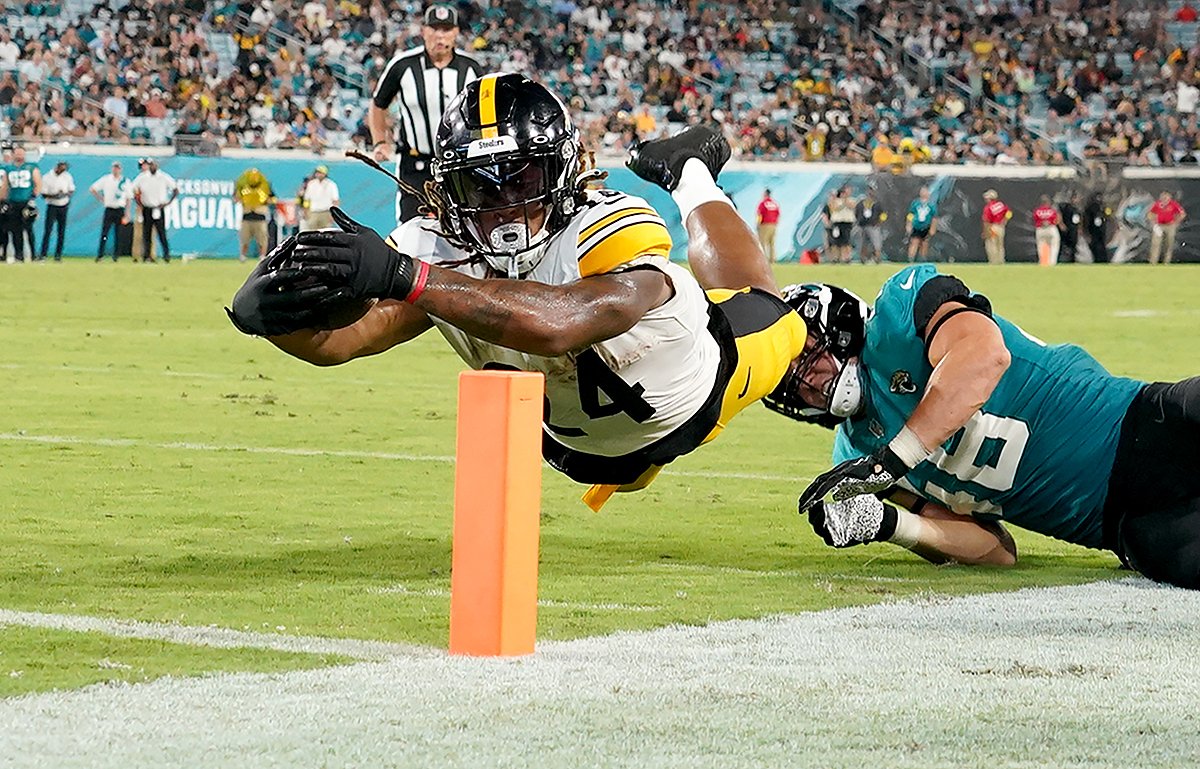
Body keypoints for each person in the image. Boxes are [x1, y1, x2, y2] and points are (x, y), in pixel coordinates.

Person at [227, 78, 807, 511]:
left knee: (766, 307)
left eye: (523, 179)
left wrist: (409, 277)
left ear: (564, 169)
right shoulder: (432, 245)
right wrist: (273, 320)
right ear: (444, 187)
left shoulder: (606, 222)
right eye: (479, 183)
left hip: (696, 391)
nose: (504, 203)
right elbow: (340, 341)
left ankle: (690, 172)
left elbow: (565, 322)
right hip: (569, 449)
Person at [775, 261, 1200, 589]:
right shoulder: (856, 457)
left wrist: (896, 457)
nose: (805, 382)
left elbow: (984, 355)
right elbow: (996, 551)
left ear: (836, 324)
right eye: (790, 383)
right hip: (1124, 526)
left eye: (806, 356)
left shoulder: (899, 315)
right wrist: (892, 525)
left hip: (1147, 423)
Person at [368, 3, 481, 224]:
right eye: (434, 29)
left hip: (460, 165)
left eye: (447, 29)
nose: (440, 36)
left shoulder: (471, 68)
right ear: (424, 31)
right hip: (415, 165)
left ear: (456, 32)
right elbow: (378, 104)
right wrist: (380, 141)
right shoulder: (403, 66)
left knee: (468, 229)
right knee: (411, 232)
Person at [130, 158, 178, 263]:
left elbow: (175, 189)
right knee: (146, 233)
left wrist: (168, 202)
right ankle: (147, 256)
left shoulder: (163, 177)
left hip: (158, 207)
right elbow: (133, 189)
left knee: (161, 233)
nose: (152, 167)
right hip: (147, 207)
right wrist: (139, 202)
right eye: (151, 165)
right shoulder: (143, 177)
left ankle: (166, 255)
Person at [1, 145, 41, 263]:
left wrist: (33, 199)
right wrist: (2, 200)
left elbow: (38, 183)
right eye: (17, 153)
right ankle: (19, 255)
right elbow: (5, 186)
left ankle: (33, 255)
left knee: (29, 229)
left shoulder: (31, 167)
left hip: (27, 201)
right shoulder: (9, 169)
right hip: (13, 201)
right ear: (13, 154)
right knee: (15, 230)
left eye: (21, 153)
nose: (19, 155)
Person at [90, 161, 131, 262]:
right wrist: (101, 199)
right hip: (109, 208)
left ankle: (116, 255)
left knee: (118, 233)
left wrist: (127, 212)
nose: (116, 170)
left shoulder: (125, 181)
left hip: (119, 209)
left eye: (117, 168)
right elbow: (93, 189)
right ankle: (100, 254)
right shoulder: (106, 179)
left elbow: (129, 198)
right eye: (114, 168)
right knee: (105, 233)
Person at [234, 167, 275, 262]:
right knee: (244, 238)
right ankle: (243, 256)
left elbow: (273, 198)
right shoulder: (243, 187)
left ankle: (262, 256)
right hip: (247, 215)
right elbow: (236, 198)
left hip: (260, 216)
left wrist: (266, 202)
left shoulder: (265, 187)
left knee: (262, 238)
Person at [39, 160, 74, 261]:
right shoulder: (47, 177)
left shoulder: (67, 176)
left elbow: (71, 189)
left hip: (63, 205)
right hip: (52, 205)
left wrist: (63, 194)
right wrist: (55, 195)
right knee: (48, 230)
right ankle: (43, 254)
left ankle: (58, 254)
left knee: (61, 231)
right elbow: (44, 194)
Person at [1146, 190, 1186, 264]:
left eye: (1166, 196)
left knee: (1169, 243)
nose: (1164, 198)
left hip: (1170, 226)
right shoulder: (1158, 205)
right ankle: (1153, 261)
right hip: (1159, 226)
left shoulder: (1173, 204)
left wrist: (1176, 222)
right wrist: (1154, 222)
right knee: (1156, 243)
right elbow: (1150, 214)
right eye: (1163, 196)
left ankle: (1166, 262)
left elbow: (1182, 213)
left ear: (1169, 197)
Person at [300, 165, 339, 231]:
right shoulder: (311, 184)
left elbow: (335, 200)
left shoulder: (331, 184)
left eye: (320, 173)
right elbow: (307, 199)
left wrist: (333, 214)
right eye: (317, 172)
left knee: (326, 232)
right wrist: (305, 211)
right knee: (312, 232)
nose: (318, 174)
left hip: (326, 212)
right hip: (313, 212)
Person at [855, 187, 886, 264]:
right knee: (862, 244)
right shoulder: (860, 204)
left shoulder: (877, 204)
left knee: (876, 243)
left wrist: (879, 222)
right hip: (862, 226)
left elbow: (883, 214)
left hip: (873, 226)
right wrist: (859, 221)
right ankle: (862, 259)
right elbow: (856, 213)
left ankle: (878, 258)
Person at [905, 186, 936, 263]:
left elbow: (934, 217)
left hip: (926, 226)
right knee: (914, 242)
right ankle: (911, 259)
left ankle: (922, 260)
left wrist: (933, 228)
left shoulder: (931, 205)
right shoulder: (915, 203)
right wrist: (908, 224)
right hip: (916, 226)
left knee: (924, 243)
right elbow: (910, 214)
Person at [823, 188, 854, 264]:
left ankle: (846, 258)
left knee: (846, 242)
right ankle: (835, 258)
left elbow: (852, 206)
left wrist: (845, 201)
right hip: (837, 223)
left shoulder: (851, 200)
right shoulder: (835, 202)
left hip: (847, 223)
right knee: (835, 242)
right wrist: (841, 203)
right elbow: (833, 208)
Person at [981, 189, 1011, 264]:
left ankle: (994, 261)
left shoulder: (988, 207)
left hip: (992, 227)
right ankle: (1001, 261)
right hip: (1001, 227)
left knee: (991, 245)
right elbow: (1009, 213)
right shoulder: (1001, 204)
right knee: (1000, 245)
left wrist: (986, 231)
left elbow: (986, 221)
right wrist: (1005, 220)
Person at [1032, 194, 1061, 266]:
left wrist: (1042, 222)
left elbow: (1034, 220)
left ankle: (1043, 262)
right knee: (1054, 246)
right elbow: (1056, 220)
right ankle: (1052, 262)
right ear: (1048, 202)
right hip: (1051, 228)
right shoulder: (1052, 211)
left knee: (1040, 246)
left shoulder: (1037, 211)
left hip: (1040, 229)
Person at [1084, 192, 1110, 263]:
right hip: (1094, 231)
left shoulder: (1103, 208)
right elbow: (1087, 221)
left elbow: (1108, 214)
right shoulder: (1091, 208)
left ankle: (1102, 260)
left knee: (1101, 246)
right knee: (1096, 247)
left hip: (1101, 232)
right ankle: (1098, 259)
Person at [756, 188, 780, 262]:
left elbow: (760, 214)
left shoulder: (763, 203)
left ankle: (763, 259)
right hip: (773, 225)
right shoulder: (774, 204)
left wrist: (758, 224)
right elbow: (778, 214)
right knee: (772, 243)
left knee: (763, 242)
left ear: (765, 194)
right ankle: (772, 259)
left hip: (765, 224)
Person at [1058, 192, 1081, 263]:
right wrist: (1061, 224)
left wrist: (1079, 228)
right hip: (1066, 229)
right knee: (1063, 245)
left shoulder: (1077, 209)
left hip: (1074, 229)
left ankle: (1072, 260)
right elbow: (1059, 214)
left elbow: (1079, 219)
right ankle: (1060, 260)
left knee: (1073, 246)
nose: (1077, 200)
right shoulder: (1066, 207)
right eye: (1075, 198)